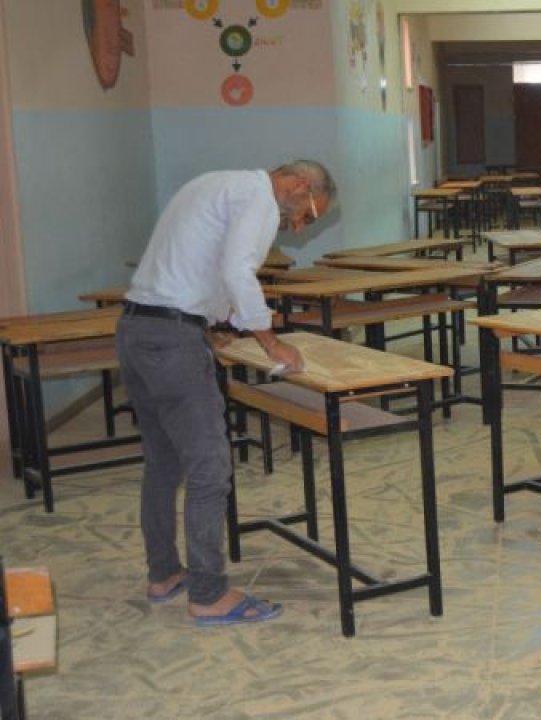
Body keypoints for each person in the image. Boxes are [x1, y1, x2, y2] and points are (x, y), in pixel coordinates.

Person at [116, 160, 336, 627]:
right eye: (308, 215)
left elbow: (201, 266)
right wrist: (270, 340)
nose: (297, 227)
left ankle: (163, 575)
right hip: (170, 340)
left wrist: (210, 328)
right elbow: (237, 271)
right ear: (298, 186)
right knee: (209, 470)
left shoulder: (215, 183)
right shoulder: (258, 198)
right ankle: (209, 594)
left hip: (138, 329)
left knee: (163, 463)